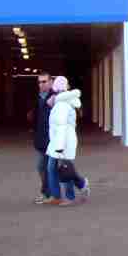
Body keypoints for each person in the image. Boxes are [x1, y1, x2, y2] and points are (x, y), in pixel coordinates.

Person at [45, 76, 89, 207]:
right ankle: (59, 195)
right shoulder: (61, 102)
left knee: (64, 169)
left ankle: (70, 196)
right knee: (54, 168)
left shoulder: (62, 104)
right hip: (59, 141)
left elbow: (61, 126)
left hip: (62, 142)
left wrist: (59, 147)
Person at [29, 72, 54, 205]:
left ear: (51, 82)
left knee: (47, 167)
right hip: (41, 139)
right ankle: (48, 193)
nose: (41, 84)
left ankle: (47, 193)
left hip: (53, 139)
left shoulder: (56, 97)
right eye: (39, 82)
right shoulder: (38, 97)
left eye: (44, 81)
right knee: (43, 167)